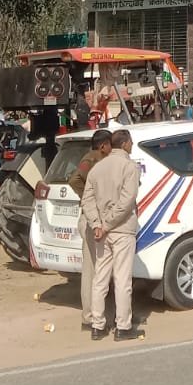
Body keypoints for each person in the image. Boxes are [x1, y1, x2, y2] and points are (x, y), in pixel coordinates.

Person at [81, 127, 142, 341]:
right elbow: (127, 201)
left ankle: (97, 326)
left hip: (102, 231)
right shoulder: (130, 167)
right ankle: (122, 327)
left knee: (100, 279)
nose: (132, 146)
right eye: (131, 143)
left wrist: (97, 223)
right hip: (121, 229)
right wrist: (106, 224)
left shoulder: (97, 169)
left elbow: (87, 200)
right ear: (124, 144)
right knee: (122, 279)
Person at [67, 128, 113, 332]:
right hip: (92, 219)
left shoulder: (98, 159)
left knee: (96, 269)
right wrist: (89, 198)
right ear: (103, 146)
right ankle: (91, 317)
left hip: (95, 217)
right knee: (93, 270)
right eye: (110, 145)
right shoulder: (93, 159)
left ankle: (94, 315)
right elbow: (75, 179)